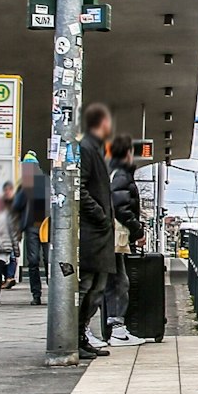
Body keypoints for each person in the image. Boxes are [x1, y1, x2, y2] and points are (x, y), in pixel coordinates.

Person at [76, 103, 117, 360]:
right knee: (87, 287)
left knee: (96, 289)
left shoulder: (94, 149)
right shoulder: (87, 149)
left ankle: (81, 335)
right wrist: (101, 217)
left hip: (98, 235)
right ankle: (75, 336)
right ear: (100, 124)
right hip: (92, 234)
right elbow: (79, 190)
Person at [103, 134, 148, 345]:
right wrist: (137, 229)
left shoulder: (113, 172)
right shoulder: (121, 174)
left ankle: (115, 328)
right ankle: (117, 329)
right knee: (118, 282)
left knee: (113, 282)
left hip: (112, 235)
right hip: (116, 235)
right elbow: (121, 206)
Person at [12, 154, 47, 306]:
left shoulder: (44, 181)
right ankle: (38, 294)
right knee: (40, 261)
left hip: (42, 226)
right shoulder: (29, 184)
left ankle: (40, 294)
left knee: (40, 261)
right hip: (37, 226)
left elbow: (16, 205)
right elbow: (16, 205)